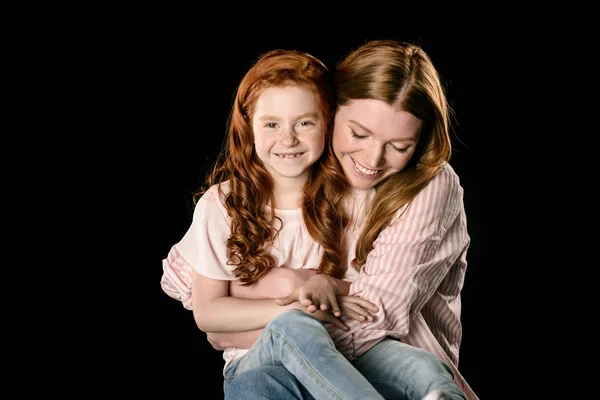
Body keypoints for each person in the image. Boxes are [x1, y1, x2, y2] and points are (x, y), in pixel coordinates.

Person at [205, 40, 479, 400]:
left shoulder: (427, 184)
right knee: (253, 382)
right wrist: (291, 296)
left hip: (385, 362)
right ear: (329, 112)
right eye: (359, 134)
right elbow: (207, 300)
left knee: (427, 372)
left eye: (399, 147)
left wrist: (269, 320)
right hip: (278, 362)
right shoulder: (290, 171)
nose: (373, 158)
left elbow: (377, 313)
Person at [160, 48, 396, 399]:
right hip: (253, 360)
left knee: (418, 368)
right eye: (272, 124)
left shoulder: (353, 200)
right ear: (249, 127)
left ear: (328, 123)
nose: (288, 139)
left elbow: (370, 294)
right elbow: (209, 314)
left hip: (341, 363)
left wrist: (318, 284)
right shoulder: (223, 205)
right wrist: (298, 311)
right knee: (259, 377)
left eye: (304, 122)